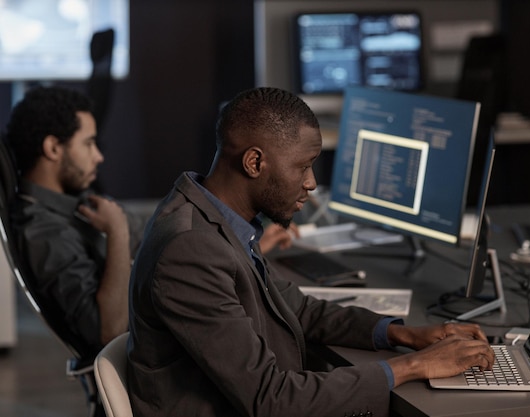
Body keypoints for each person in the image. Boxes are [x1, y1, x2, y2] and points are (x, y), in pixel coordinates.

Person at [127, 87, 494, 417]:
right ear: (254, 163)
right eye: (303, 166)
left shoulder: (216, 218)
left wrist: (404, 335)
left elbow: (298, 309)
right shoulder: (191, 249)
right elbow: (270, 400)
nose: (312, 183)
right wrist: (414, 366)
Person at [4, 85, 144, 359]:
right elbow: (111, 332)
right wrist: (117, 232)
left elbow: (147, 233)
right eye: (88, 144)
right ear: (54, 148)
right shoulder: (43, 232)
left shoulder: (77, 198)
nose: (98, 156)